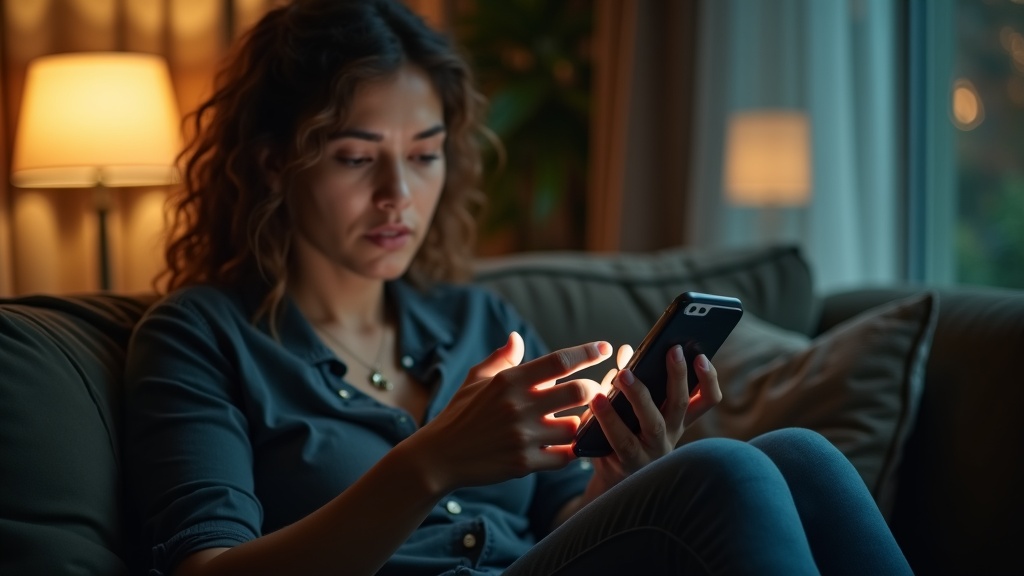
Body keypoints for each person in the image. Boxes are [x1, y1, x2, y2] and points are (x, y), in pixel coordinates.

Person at [123, 1, 914, 575]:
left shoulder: (478, 322)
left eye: (425, 154)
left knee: (798, 456)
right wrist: (427, 464)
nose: (399, 193)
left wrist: (618, 473)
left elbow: (564, 518)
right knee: (730, 471)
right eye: (357, 158)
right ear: (271, 163)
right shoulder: (200, 336)